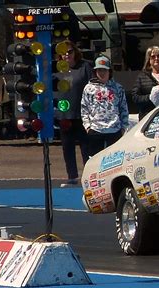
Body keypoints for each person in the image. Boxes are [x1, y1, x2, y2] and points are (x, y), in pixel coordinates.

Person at [54, 40, 93, 187]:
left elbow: (93, 87)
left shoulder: (84, 67)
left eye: (69, 52)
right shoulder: (58, 70)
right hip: (64, 115)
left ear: (75, 52)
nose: (66, 55)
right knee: (67, 147)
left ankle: (89, 176)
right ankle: (72, 177)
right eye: (63, 52)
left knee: (86, 147)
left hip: (82, 114)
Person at [81, 55, 129, 157]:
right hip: (95, 130)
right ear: (95, 72)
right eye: (99, 70)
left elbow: (123, 108)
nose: (101, 73)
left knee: (114, 161)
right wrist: (87, 126)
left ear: (109, 72)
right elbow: (84, 108)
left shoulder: (118, 88)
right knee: (94, 161)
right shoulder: (89, 88)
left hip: (114, 130)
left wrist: (123, 127)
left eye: (104, 70)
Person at [131, 46, 159, 121]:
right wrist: (152, 97)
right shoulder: (142, 77)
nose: (156, 58)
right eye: (153, 57)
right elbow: (135, 98)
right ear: (148, 60)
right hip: (148, 117)